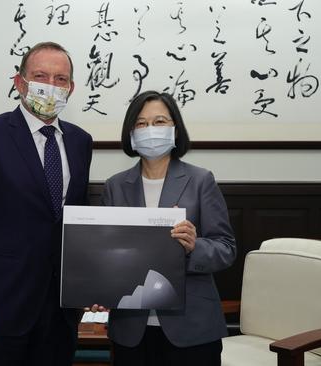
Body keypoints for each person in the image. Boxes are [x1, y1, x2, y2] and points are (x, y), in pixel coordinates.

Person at [0, 41, 93, 365]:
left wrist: (89, 288)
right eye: (40, 76)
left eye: (60, 79)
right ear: (19, 82)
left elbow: (75, 224)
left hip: (60, 314)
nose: (50, 86)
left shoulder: (80, 142)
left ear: (71, 88)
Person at [95, 90, 236, 366]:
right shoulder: (115, 186)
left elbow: (226, 248)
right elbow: (106, 255)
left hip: (191, 328)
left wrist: (194, 246)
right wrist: (98, 289)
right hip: (131, 329)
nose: (150, 130)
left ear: (175, 129)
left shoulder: (200, 181)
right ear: (131, 133)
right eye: (141, 123)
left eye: (160, 121)